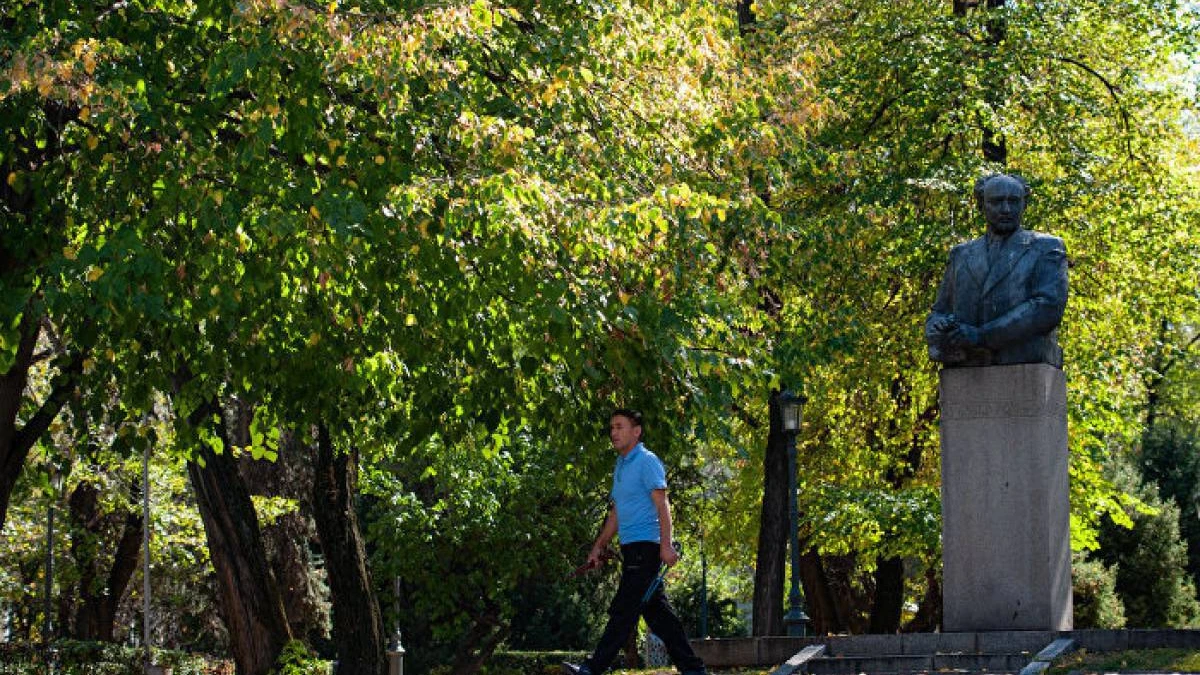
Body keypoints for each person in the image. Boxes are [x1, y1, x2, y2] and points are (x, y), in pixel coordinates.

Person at [563, 410, 707, 675]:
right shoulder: (620, 465)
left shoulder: (647, 461)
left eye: (619, 427)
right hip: (631, 550)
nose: (613, 433)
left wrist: (666, 545)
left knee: (623, 611)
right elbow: (616, 513)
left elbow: (662, 505)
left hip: (646, 548)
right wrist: (598, 546)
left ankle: (592, 669)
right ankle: (694, 670)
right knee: (659, 616)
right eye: (611, 428)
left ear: (636, 431)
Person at [925, 173, 1069, 368]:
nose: (1006, 209)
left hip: (1025, 362)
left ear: (1024, 204)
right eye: (997, 202)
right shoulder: (961, 254)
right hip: (967, 366)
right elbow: (940, 310)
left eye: (1013, 201)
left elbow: (1047, 307)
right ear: (981, 205)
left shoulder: (1046, 247)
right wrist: (939, 327)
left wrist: (981, 336)